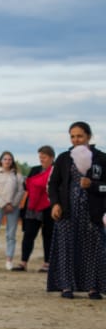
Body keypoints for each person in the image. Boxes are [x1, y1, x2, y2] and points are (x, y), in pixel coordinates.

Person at [46, 122, 106, 299]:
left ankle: (93, 287)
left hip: (92, 213)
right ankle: (66, 286)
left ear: (89, 136)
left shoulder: (101, 158)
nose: (76, 139)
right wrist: (55, 204)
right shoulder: (64, 158)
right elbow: (53, 185)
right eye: (72, 136)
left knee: (93, 249)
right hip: (67, 212)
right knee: (66, 248)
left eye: (79, 136)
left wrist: (93, 185)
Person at [16, 146, 55, 271]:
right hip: (33, 207)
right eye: (40, 157)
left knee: (48, 235)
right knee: (29, 234)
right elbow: (26, 186)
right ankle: (23, 262)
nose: (41, 160)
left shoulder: (56, 170)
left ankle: (47, 263)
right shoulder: (34, 170)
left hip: (49, 207)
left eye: (44, 157)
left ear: (51, 157)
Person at [0, 151, 23, 270]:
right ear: (1, 160)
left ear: (12, 161)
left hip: (13, 207)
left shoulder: (17, 175)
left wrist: (12, 204)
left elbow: (20, 191)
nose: (7, 161)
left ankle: (9, 260)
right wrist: (3, 204)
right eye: (5, 159)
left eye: (10, 159)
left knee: (11, 234)